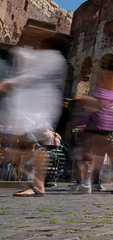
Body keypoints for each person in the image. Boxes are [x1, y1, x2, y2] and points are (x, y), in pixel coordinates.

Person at [0, 37, 67, 196]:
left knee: (36, 147)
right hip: (34, 108)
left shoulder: (53, 58)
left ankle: (37, 185)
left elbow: (32, 77)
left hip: (39, 109)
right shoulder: (53, 59)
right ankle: (35, 182)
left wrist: (8, 84)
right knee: (28, 145)